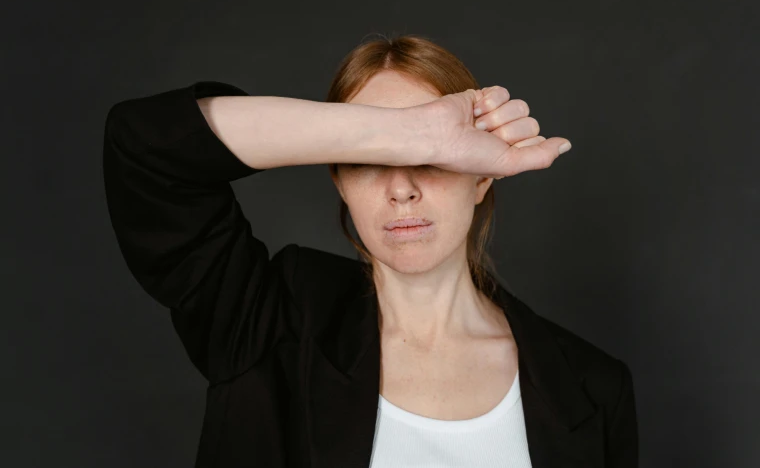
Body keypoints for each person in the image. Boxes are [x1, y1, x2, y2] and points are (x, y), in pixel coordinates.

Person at [102, 34, 638, 467]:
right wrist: (408, 133)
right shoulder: (272, 320)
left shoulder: (590, 386)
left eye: (434, 160)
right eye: (370, 159)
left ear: (483, 178)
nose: (401, 188)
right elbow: (146, 147)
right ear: (339, 180)